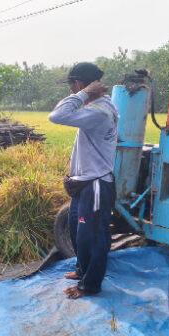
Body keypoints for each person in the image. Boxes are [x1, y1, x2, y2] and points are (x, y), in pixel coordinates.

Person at [48, 62, 118, 299]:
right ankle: (82, 270)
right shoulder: (95, 108)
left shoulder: (99, 110)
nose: (71, 91)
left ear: (79, 84)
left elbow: (57, 115)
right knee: (79, 232)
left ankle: (91, 285)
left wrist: (83, 94)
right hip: (83, 183)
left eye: (72, 85)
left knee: (94, 236)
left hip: (96, 184)